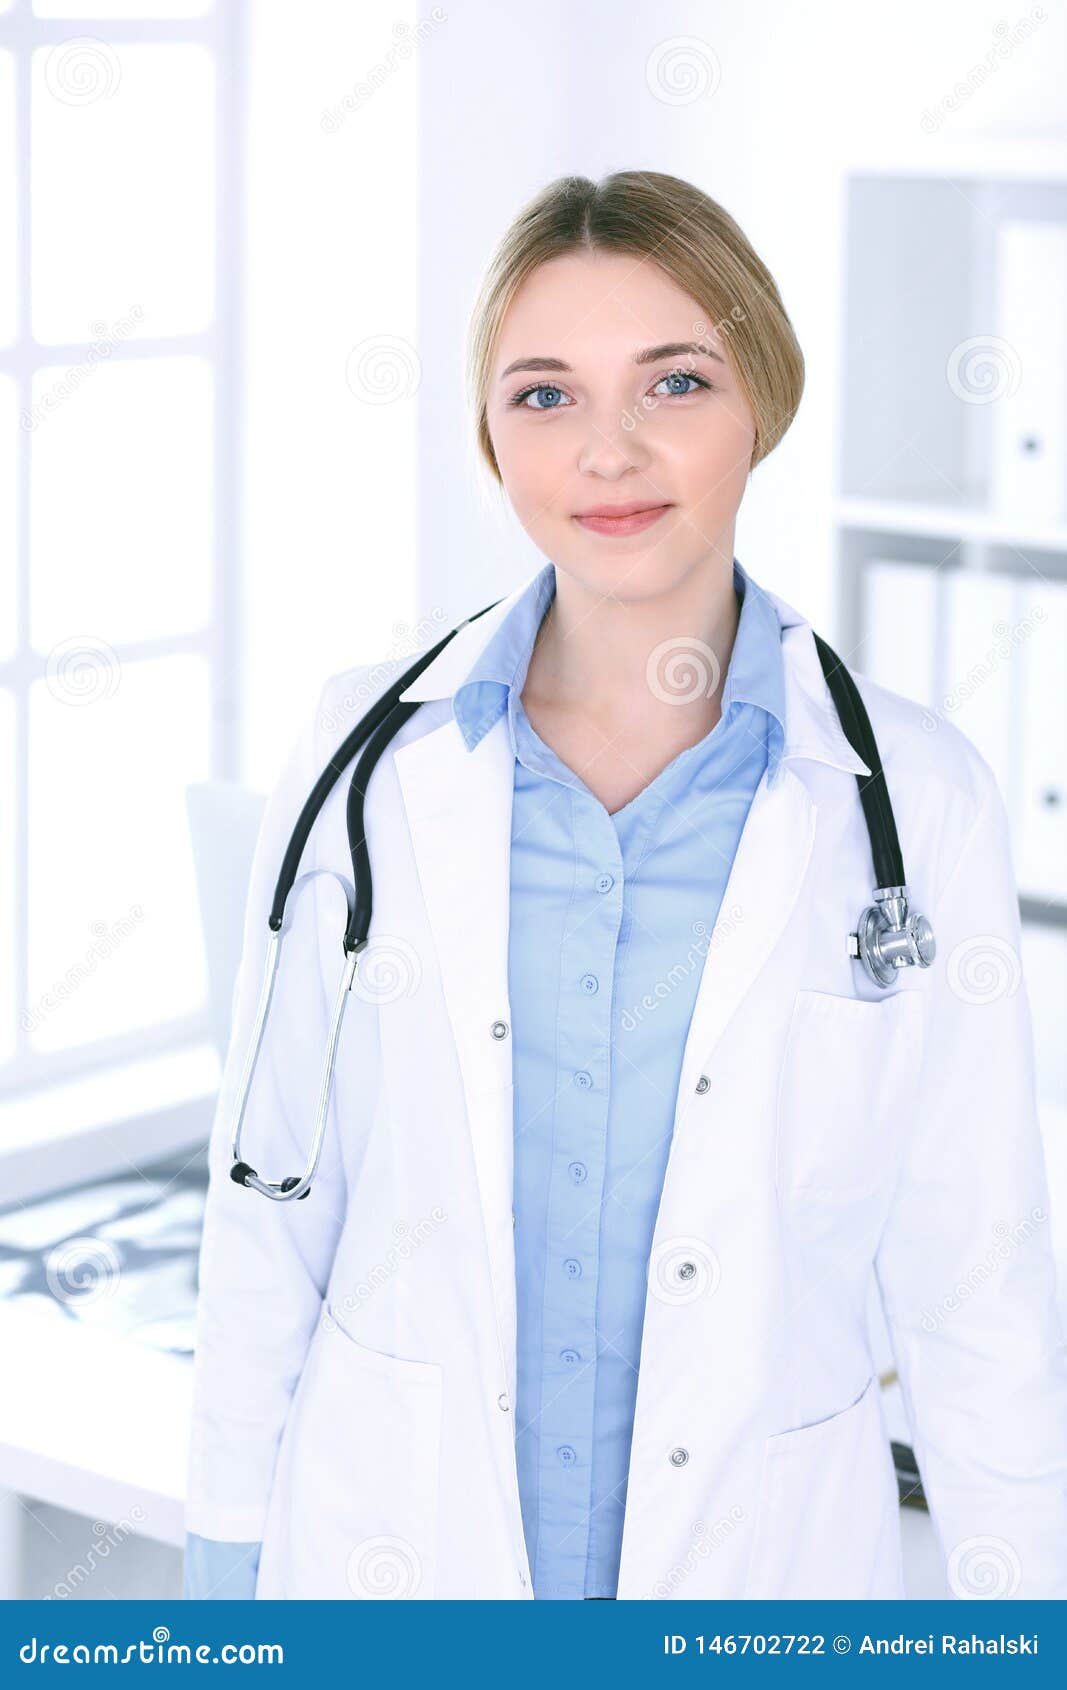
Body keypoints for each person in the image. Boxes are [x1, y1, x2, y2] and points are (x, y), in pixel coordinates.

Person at [183, 171, 1067, 1600]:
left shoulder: (920, 800)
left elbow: (977, 1277)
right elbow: (270, 1202)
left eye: (674, 380)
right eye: (545, 395)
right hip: (396, 1568)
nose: (610, 450)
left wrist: (1026, 1615)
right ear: (489, 434)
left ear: (760, 401)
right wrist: (220, 1575)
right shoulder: (366, 766)